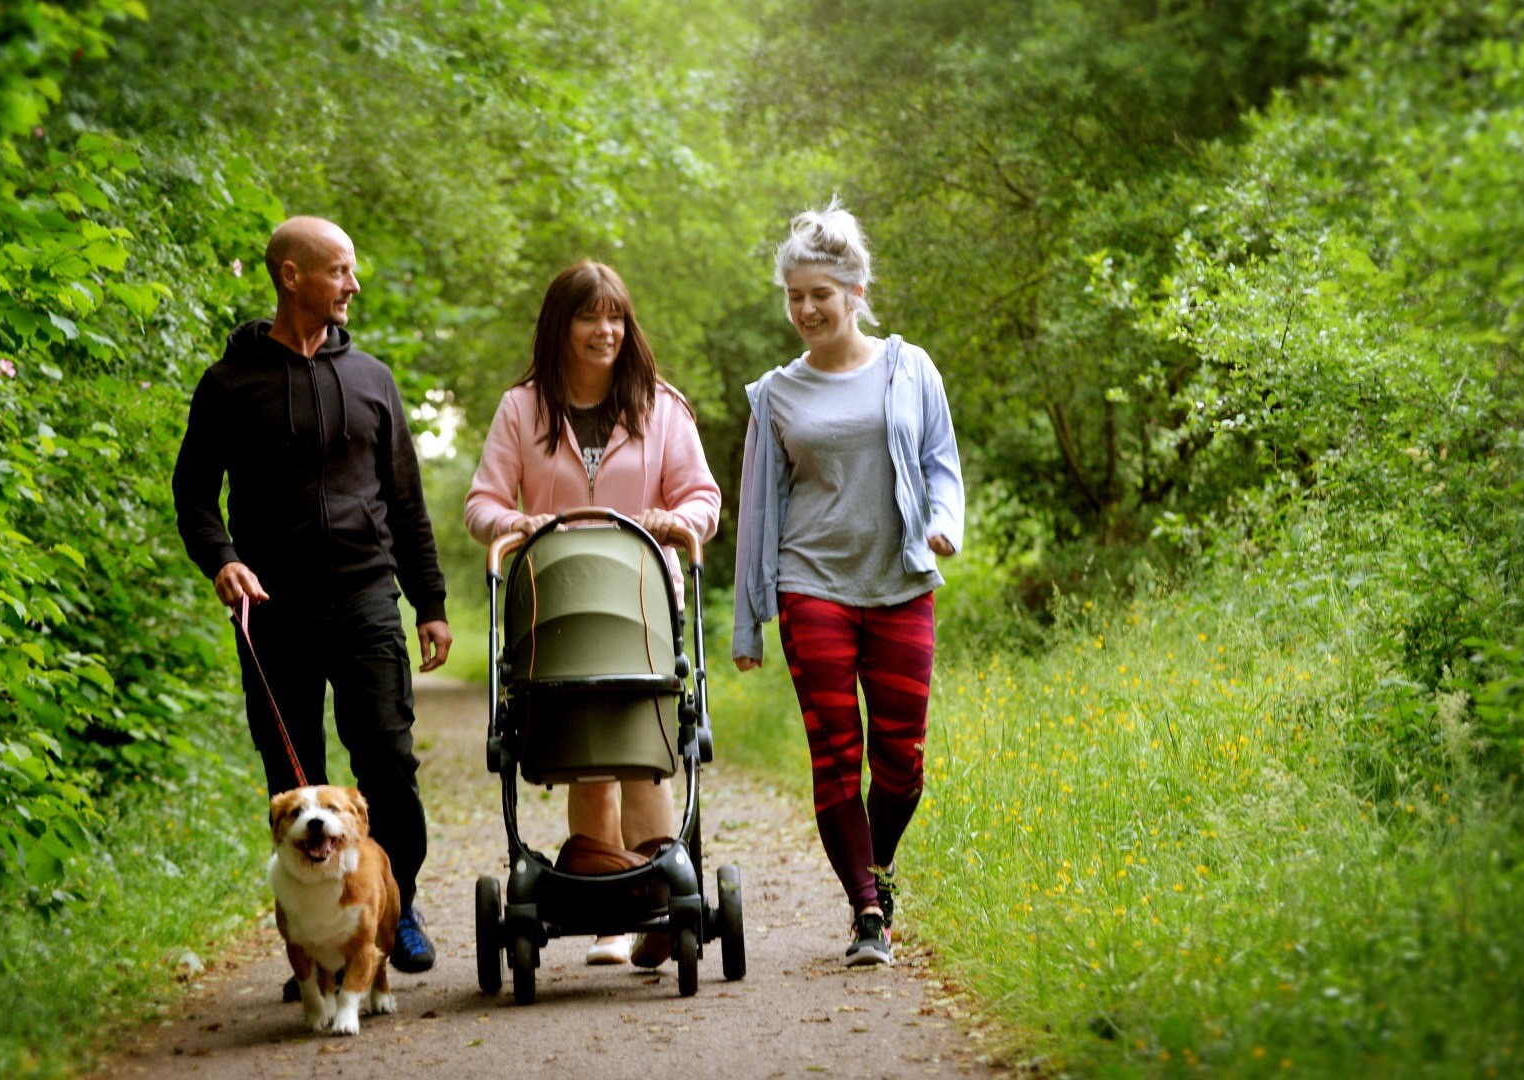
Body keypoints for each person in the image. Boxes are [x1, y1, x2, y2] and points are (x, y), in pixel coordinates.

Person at [172, 216, 453, 992]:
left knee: (389, 767)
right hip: (275, 612)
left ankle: (395, 913)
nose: (353, 285)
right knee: (294, 779)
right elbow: (194, 497)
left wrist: (428, 601)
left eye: (352, 271)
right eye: (339, 272)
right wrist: (223, 561)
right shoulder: (230, 385)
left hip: (366, 597)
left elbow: (405, 498)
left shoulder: (371, 379)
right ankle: (314, 950)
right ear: (291, 276)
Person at [465, 260, 721, 968]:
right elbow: (482, 503)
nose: (604, 331)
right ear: (560, 326)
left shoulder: (660, 405)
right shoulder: (523, 408)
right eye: (588, 317)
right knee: (587, 754)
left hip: (642, 595)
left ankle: (660, 904)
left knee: (644, 750)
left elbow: (704, 497)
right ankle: (610, 917)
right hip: (559, 598)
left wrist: (673, 518)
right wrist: (521, 522)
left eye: (614, 317)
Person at [731, 200, 963, 967]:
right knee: (835, 754)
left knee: (902, 762)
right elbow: (759, 512)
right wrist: (748, 624)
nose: (804, 310)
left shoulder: (909, 367)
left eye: (819, 295)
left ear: (855, 293)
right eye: (794, 296)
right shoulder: (775, 394)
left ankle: (879, 866)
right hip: (812, 585)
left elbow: (941, 466)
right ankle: (867, 912)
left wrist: (943, 524)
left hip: (900, 579)